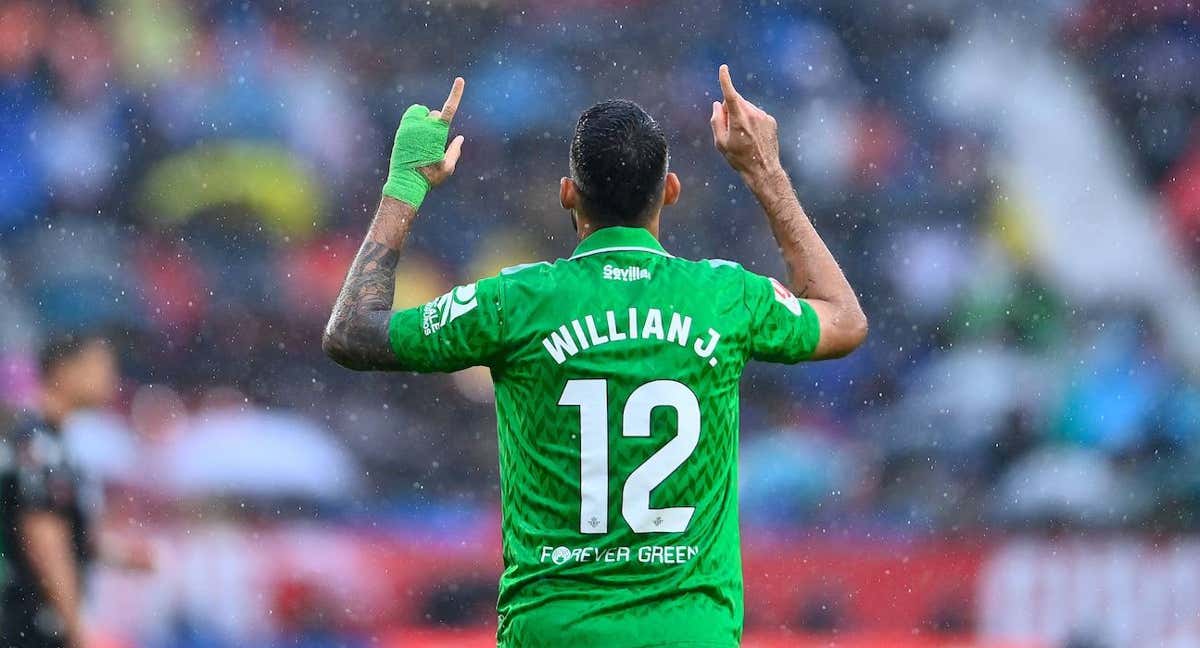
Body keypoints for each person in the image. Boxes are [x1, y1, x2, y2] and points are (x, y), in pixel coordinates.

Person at [323, 66, 867, 647]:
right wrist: (766, 173)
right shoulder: (725, 297)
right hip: (689, 633)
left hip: (556, 631)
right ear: (671, 191)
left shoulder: (515, 300)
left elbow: (353, 332)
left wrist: (405, 185)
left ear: (568, 193)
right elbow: (843, 318)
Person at [0, 335, 151, 648]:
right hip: (28, 626)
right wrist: (77, 627)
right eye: (100, 365)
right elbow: (44, 540)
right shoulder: (38, 445)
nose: (111, 378)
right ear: (64, 371)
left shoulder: (52, 442)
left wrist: (120, 556)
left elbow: (63, 534)